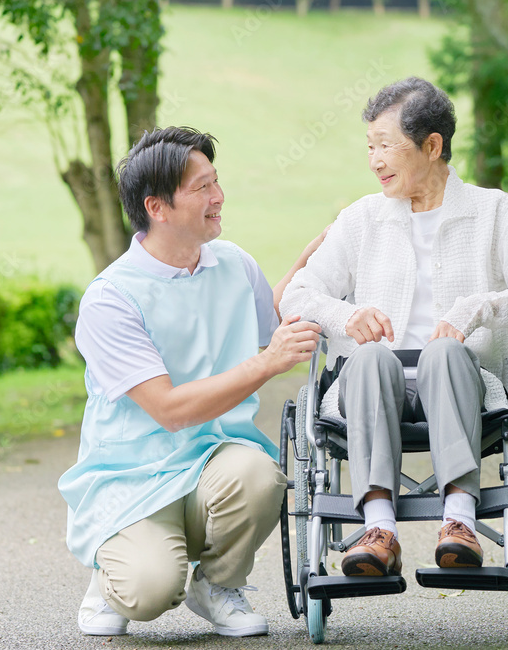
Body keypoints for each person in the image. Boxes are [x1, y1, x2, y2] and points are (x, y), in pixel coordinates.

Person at [280, 78, 508, 578]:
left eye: (386, 146)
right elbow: (296, 294)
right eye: (369, 147)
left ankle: (458, 523)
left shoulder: (492, 211)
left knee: (444, 353)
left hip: (465, 385)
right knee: (371, 355)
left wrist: (478, 306)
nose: (374, 160)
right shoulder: (361, 218)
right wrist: (346, 316)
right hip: (370, 386)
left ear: (432, 146)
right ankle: (379, 530)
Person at [58, 126, 323, 637]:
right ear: (157, 207)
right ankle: (110, 572)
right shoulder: (111, 299)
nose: (218, 197)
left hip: (214, 460)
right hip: (134, 477)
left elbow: (272, 321)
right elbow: (170, 409)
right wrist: (265, 364)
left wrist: (311, 265)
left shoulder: (234, 264)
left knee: (261, 476)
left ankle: (218, 584)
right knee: (149, 590)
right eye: (201, 188)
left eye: (216, 182)